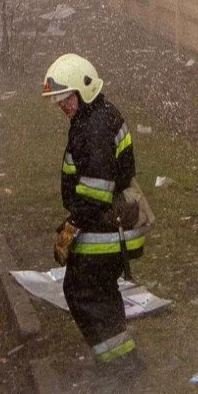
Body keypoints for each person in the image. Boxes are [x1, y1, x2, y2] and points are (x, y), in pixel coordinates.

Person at [42, 52, 144, 373]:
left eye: (66, 97)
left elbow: (97, 189)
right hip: (111, 222)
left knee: (81, 290)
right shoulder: (96, 117)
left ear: (84, 89)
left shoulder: (94, 127)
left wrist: (72, 225)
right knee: (101, 291)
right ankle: (123, 358)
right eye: (59, 100)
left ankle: (119, 367)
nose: (62, 105)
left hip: (104, 227)